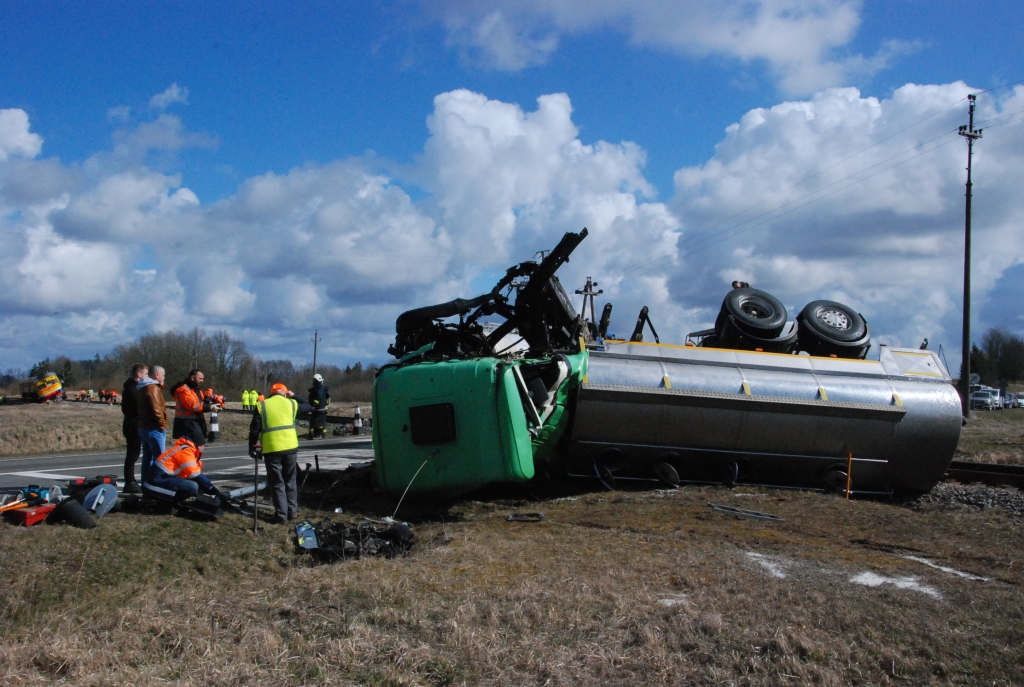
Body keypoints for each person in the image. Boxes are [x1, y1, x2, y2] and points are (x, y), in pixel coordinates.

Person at [249, 383, 312, 524]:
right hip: (290, 447)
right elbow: (308, 406)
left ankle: (281, 516)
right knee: (290, 480)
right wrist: (293, 394)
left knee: (277, 483)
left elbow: (254, 430)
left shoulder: (262, 405)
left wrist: (252, 448)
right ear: (284, 393)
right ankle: (292, 512)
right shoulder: (291, 404)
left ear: (271, 393)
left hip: (271, 449)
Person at [143, 428, 224, 503]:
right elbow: (194, 474)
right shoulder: (186, 451)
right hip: (156, 483)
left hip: (158, 480)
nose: (203, 448)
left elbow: (195, 475)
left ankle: (172, 502)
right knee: (192, 486)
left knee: (194, 485)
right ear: (199, 446)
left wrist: (206, 486)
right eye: (203, 446)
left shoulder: (186, 450)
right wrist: (210, 487)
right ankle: (171, 503)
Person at [136, 365, 168, 483]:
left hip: (144, 427)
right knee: (160, 460)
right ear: (156, 375)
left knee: (147, 459)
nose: (164, 377)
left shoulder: (142, 387)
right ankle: (157, 483)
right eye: (163, 375)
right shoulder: (153, 388)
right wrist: (162, 425)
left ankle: (146, 483)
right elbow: (156, 408)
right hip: (154, 428)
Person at [170, 369, 217, 447]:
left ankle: (192, 459)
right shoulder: (184, 390)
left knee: (197, 445)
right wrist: (211, 407)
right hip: (186, 423)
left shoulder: (196, 390)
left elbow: (201, 403)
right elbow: (194, 406)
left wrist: (211, 400)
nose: (202, 381)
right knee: (196, 445)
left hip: (194, 421)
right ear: (193, 378)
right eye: (200, 378)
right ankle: (190, 459)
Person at [121, 363, 147, 493]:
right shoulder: (133, 389)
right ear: (139, 374)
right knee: (133, 454)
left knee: (133, 453)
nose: (146, 377)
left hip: (132, 423)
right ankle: (130, 481)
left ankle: (130, 481)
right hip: (133, 424)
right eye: (145, 374)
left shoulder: (131, 387)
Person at [307, 373, 330, 439]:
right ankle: (320, 434)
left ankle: (317, 434)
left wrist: (314, 404)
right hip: (321, 409)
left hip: (317, 409)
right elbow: (327, 398)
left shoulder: (319, 389)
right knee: (320, 422)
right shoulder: (323, 389)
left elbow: (318, 396)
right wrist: (326, 406)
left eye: (314, 380)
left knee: (315, 422)